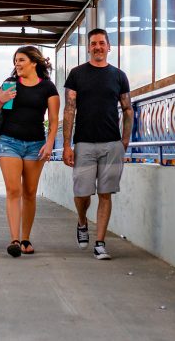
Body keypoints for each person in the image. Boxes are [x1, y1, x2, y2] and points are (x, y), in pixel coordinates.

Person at [62, 28, 131, 260]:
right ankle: (82, 222)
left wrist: (125, 141)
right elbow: (69, 108)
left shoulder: (119, 76)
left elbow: (127, 108)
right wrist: (67, 145)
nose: (98, 47)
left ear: (109, 47)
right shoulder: (77, 74)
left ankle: (100, 243)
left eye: (102, 43)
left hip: (112, 144)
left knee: (105, 193)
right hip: (84, 143)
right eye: (93, 44)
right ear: (88, 48)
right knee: (82, 193)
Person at [0, 46, 60, 257]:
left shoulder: (48, 87)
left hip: (36, 145)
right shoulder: (10, 84)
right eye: (15, 61)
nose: (17, 64)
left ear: (33, 62)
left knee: (29, 192)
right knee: (13, 190)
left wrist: (49, 143)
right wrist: (2, 98)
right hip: (9, 142)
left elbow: (54, 120)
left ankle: (26, 238)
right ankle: (14, 240)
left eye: (21, 60)